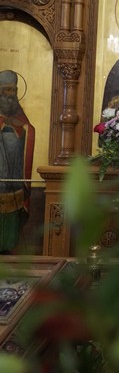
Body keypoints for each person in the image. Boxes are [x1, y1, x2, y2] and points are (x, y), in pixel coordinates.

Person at [0, 70, 34, 254]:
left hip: (13, 179)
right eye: (7, 90)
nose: (11, 95)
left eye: (14, 90)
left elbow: (29, 129)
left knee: (11, 218)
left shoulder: (17, 113)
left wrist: (17, 126)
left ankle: (9, 249)